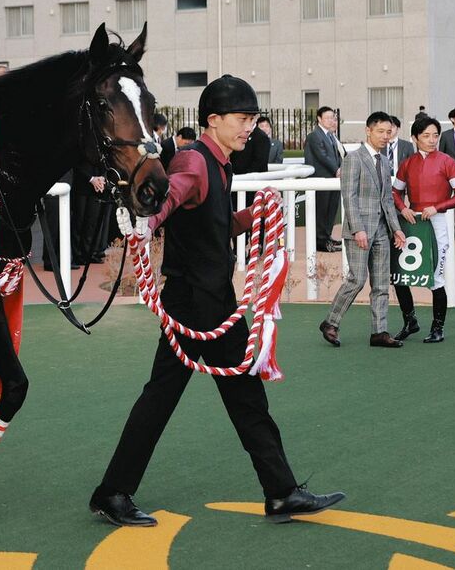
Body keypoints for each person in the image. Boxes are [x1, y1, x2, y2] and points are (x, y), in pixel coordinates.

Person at [90, 75, 345, 527]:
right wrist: (149, 218)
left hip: (207, 299)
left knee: (213, 397)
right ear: (214, 120)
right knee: (206, 398)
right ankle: (279, 492)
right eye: (242, 119)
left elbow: (211, 224)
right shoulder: (194, 159)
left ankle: (279, 491)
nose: (250, 127)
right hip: (197, 303)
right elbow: (174, 194)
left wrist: (251, 213)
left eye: (252, 119)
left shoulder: (219, 163)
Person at [319, 111, 406, 349]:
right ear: (368, 131)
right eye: (380, 131)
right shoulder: (353, 158)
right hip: (360, 230)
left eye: (389, 132)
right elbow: (349, 196)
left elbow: (387, 199)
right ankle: (330, 322)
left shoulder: (386, 160)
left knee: (381, 284)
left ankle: (379, 332)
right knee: (357, 279)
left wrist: (396, 229)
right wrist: (357, 229)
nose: (385, 136)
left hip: (382, 231)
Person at [391, 116, 455, 343]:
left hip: (436, 223)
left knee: (436, 277)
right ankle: (410, 321)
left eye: (435, 135)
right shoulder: (407, 163)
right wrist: (403, 207)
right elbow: (395, 192)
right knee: (400, 276)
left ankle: (438, 328)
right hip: (411, 223)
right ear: (415, 138)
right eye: (426, 135)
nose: (432, 140)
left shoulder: (447, 161)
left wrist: (437, 207)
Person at [304, 106, 344, 252]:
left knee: (331, 210)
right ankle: (320, 241)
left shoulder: (331, 136)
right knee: (321, 211)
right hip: (321, 179)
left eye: (333, 117)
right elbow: (322, 156)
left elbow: (338, 155)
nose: (331, 120)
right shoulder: (315, 135)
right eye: (327, 118)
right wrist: (336, 170)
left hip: (333, 180)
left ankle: (327, 237)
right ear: (319, 119)